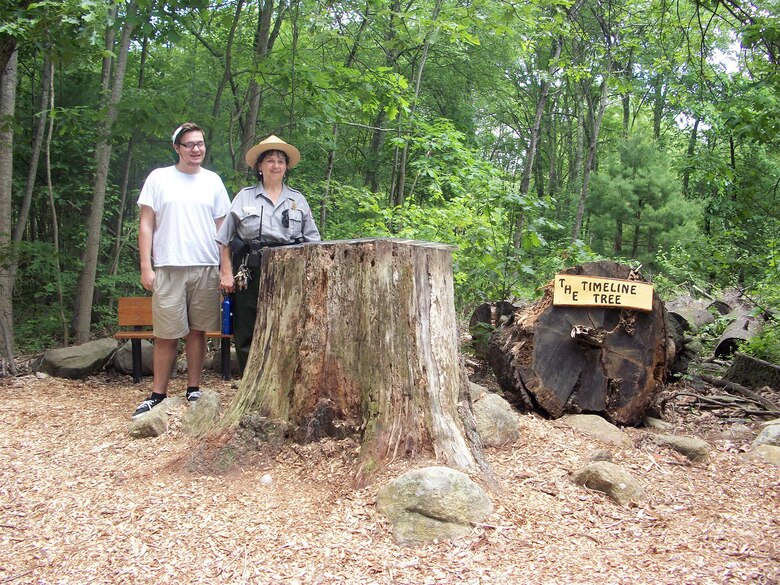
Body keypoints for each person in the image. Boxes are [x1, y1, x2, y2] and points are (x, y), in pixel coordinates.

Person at [131, 123, 231, 419]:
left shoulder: (213, 181)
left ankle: (194, 389)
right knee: (166, 334)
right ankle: (158, 394)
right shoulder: (159, 178)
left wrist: (225, 268)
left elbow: (222, 229)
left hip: (204, 266)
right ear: (177, 147)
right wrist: (146, 266)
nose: (196, 149)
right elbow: (146, 224)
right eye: (189, 144)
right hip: (169, 267)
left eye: (200, 144)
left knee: (197, 332)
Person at [216, 135, 321, 375]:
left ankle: (283, 382)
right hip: (249, 271)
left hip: (290, 272)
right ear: (259, 166)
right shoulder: (244, 197)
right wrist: (226, 273)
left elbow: (313, 241)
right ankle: (249, 384)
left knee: (289, 325)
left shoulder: (298, 200)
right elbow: (225, 239)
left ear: (286, 167)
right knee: (246, 329)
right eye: (270, 160)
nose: (276, 165)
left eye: (281, 161)